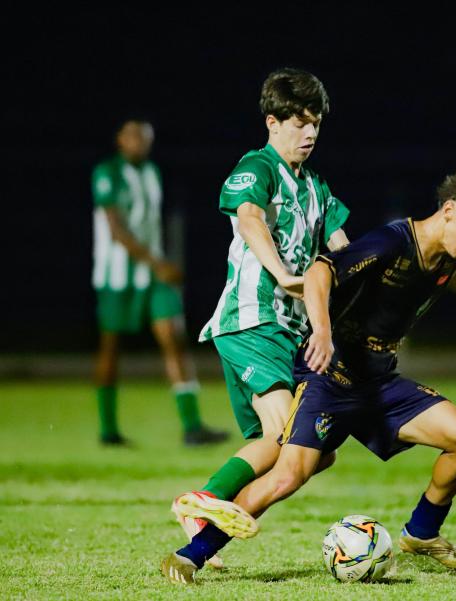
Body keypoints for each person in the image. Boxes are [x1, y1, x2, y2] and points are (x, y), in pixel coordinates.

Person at [161, 167, 456, 584]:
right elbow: (322, 270)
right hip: (328, 379)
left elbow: (449, 273)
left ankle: (422, 533)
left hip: (380, 384)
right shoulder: (393, 240)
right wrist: (321, 329)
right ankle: (192, 554)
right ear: (448, 210)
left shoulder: (447, 253)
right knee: (288, 475)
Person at [168, 68, 350, 569]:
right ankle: (203, 506)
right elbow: (248, 216)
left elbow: (344, 251)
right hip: (252, 321)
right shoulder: (259, 165)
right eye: (299, 122)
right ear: (273, 123)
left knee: (319, 447)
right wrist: (283, 274)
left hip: (289, 336)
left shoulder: (317, 187)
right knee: (287, 436)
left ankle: (204, 506)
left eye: (316, 123)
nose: (309, 133)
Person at [91, 119, 228, 446]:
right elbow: (116, 231)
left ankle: (192, 426)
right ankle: (108, 429)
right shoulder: (106, 173)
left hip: (153, 275)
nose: (139, 142)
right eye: (133, 135)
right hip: (117, 276)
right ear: (120, 139)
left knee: (174, 337)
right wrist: (159, 263)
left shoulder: (152, 173)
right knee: (110, 347)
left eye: (145, 137)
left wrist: (158, 263)